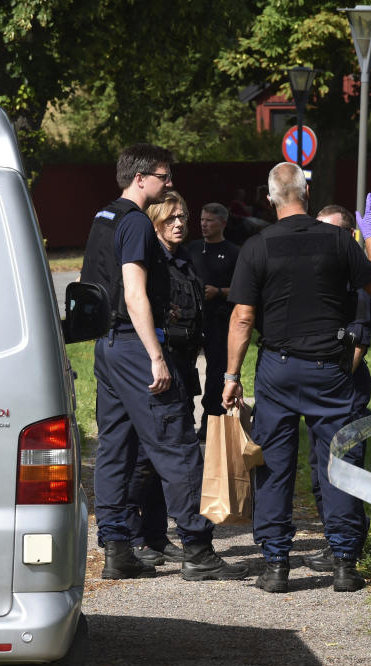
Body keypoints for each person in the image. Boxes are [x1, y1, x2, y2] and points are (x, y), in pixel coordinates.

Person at [80, 143, 247, 582]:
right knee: (176, 444)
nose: (169, 183)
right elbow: (134, 291)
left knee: (115, 447)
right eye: (163, 176)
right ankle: (197, 549)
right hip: (137, 347)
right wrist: (157, 356)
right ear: (140, 179)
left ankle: (117, 549)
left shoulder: (102, 218)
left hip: (108, 346)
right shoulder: (135, 223)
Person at [222, 162, 371, 593]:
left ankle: (277, 565)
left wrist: (231, 375)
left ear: (271, 199)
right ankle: (344, 564)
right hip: (330, 369)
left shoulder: (256, 247)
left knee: (275, 466)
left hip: (277, 369)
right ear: (306, 195)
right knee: (337, 462)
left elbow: (242, 318)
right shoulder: (339, 240)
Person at [300, 204, 371, 573]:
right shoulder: (321, 274)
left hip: (343, 393)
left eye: (328, 232)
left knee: (342, 469)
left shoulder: (356, 282)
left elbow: (357, 348)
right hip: (321, 391)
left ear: (349, 237)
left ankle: (347, 546)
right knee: (320, 470)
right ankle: (338, 540)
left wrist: (329, 386)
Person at [127, 191, 202, 567]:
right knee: (144, 458)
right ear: (155, 221)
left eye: (183, 217)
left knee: (161, 462)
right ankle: (131, 536)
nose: (179, 223)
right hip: (153, 369)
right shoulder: (151, 262)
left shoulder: (182, 262)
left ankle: (156, 535)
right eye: (171, 217)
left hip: (181, 368)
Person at [187, 203, 240, 440]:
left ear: (222, 223)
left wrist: (218, 291)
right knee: (185, 368)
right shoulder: (191, 249)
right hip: (192, 319)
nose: (203, 224)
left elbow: (242, 290)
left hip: (220, 320)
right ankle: (185, 418)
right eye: (201, 220)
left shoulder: (234, 253)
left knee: (217, 371)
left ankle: (212, 422)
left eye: (209, 220)